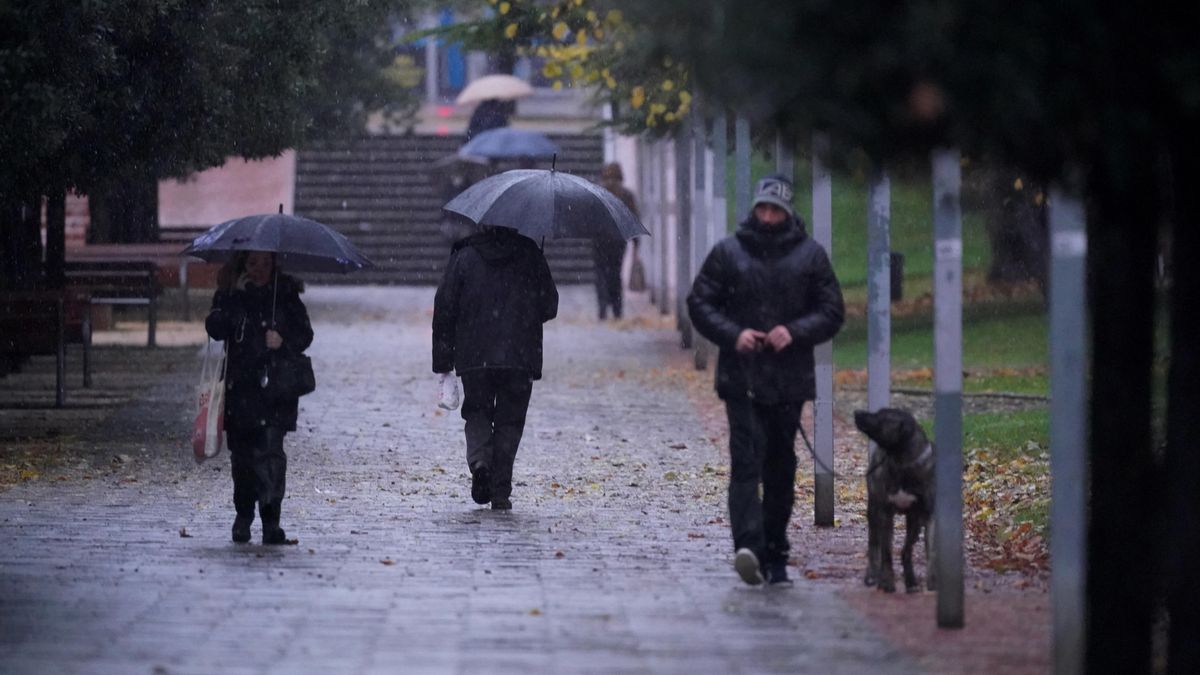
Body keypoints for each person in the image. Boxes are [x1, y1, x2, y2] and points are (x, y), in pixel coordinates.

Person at [686, 174, 845, 586]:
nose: (769, 216)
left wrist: (793, 331)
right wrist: (734, 333)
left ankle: (775, 551)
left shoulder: (811, 256)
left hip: (789, 382)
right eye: (763, 208)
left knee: (780, 467)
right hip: (742, 380)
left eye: (776, 210)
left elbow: (832, 310)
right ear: (754, 209)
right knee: (745, 463)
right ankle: (749, 546)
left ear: (789, 213)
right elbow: (700, 302)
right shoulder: (728, 253)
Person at [432, 225, 558, 510]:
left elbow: (444, 306)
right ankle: (500, 490)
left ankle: (480, 463)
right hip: (520, 354)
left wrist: (443, 361)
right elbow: (550, 306)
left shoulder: (464, 257)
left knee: (477, 411)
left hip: (475, 355)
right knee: (510, 421)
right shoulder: (530, 255)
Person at [205, 251, 313, 544]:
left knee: (270, 453)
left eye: (266, 263)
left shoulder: (286, 293)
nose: (259, 270)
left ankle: (270, 518)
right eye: (253, 263)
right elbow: (214, 328)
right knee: (241, 457)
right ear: (242, 266)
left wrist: (283, 339)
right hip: (240, 386)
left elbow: (305, 334)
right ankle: (243, 514)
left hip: (275, 387)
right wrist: (230, 301)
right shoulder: (230, 293)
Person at [593, 162, 639, 320]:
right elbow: (633, 219)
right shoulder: (626, 195)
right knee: (615, 274)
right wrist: (636, 243)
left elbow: (589, 218)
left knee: (600, 274)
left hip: (599, 240)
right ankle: (617, 308)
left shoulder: (598, 193)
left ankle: (602, 306)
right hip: (618, 241)